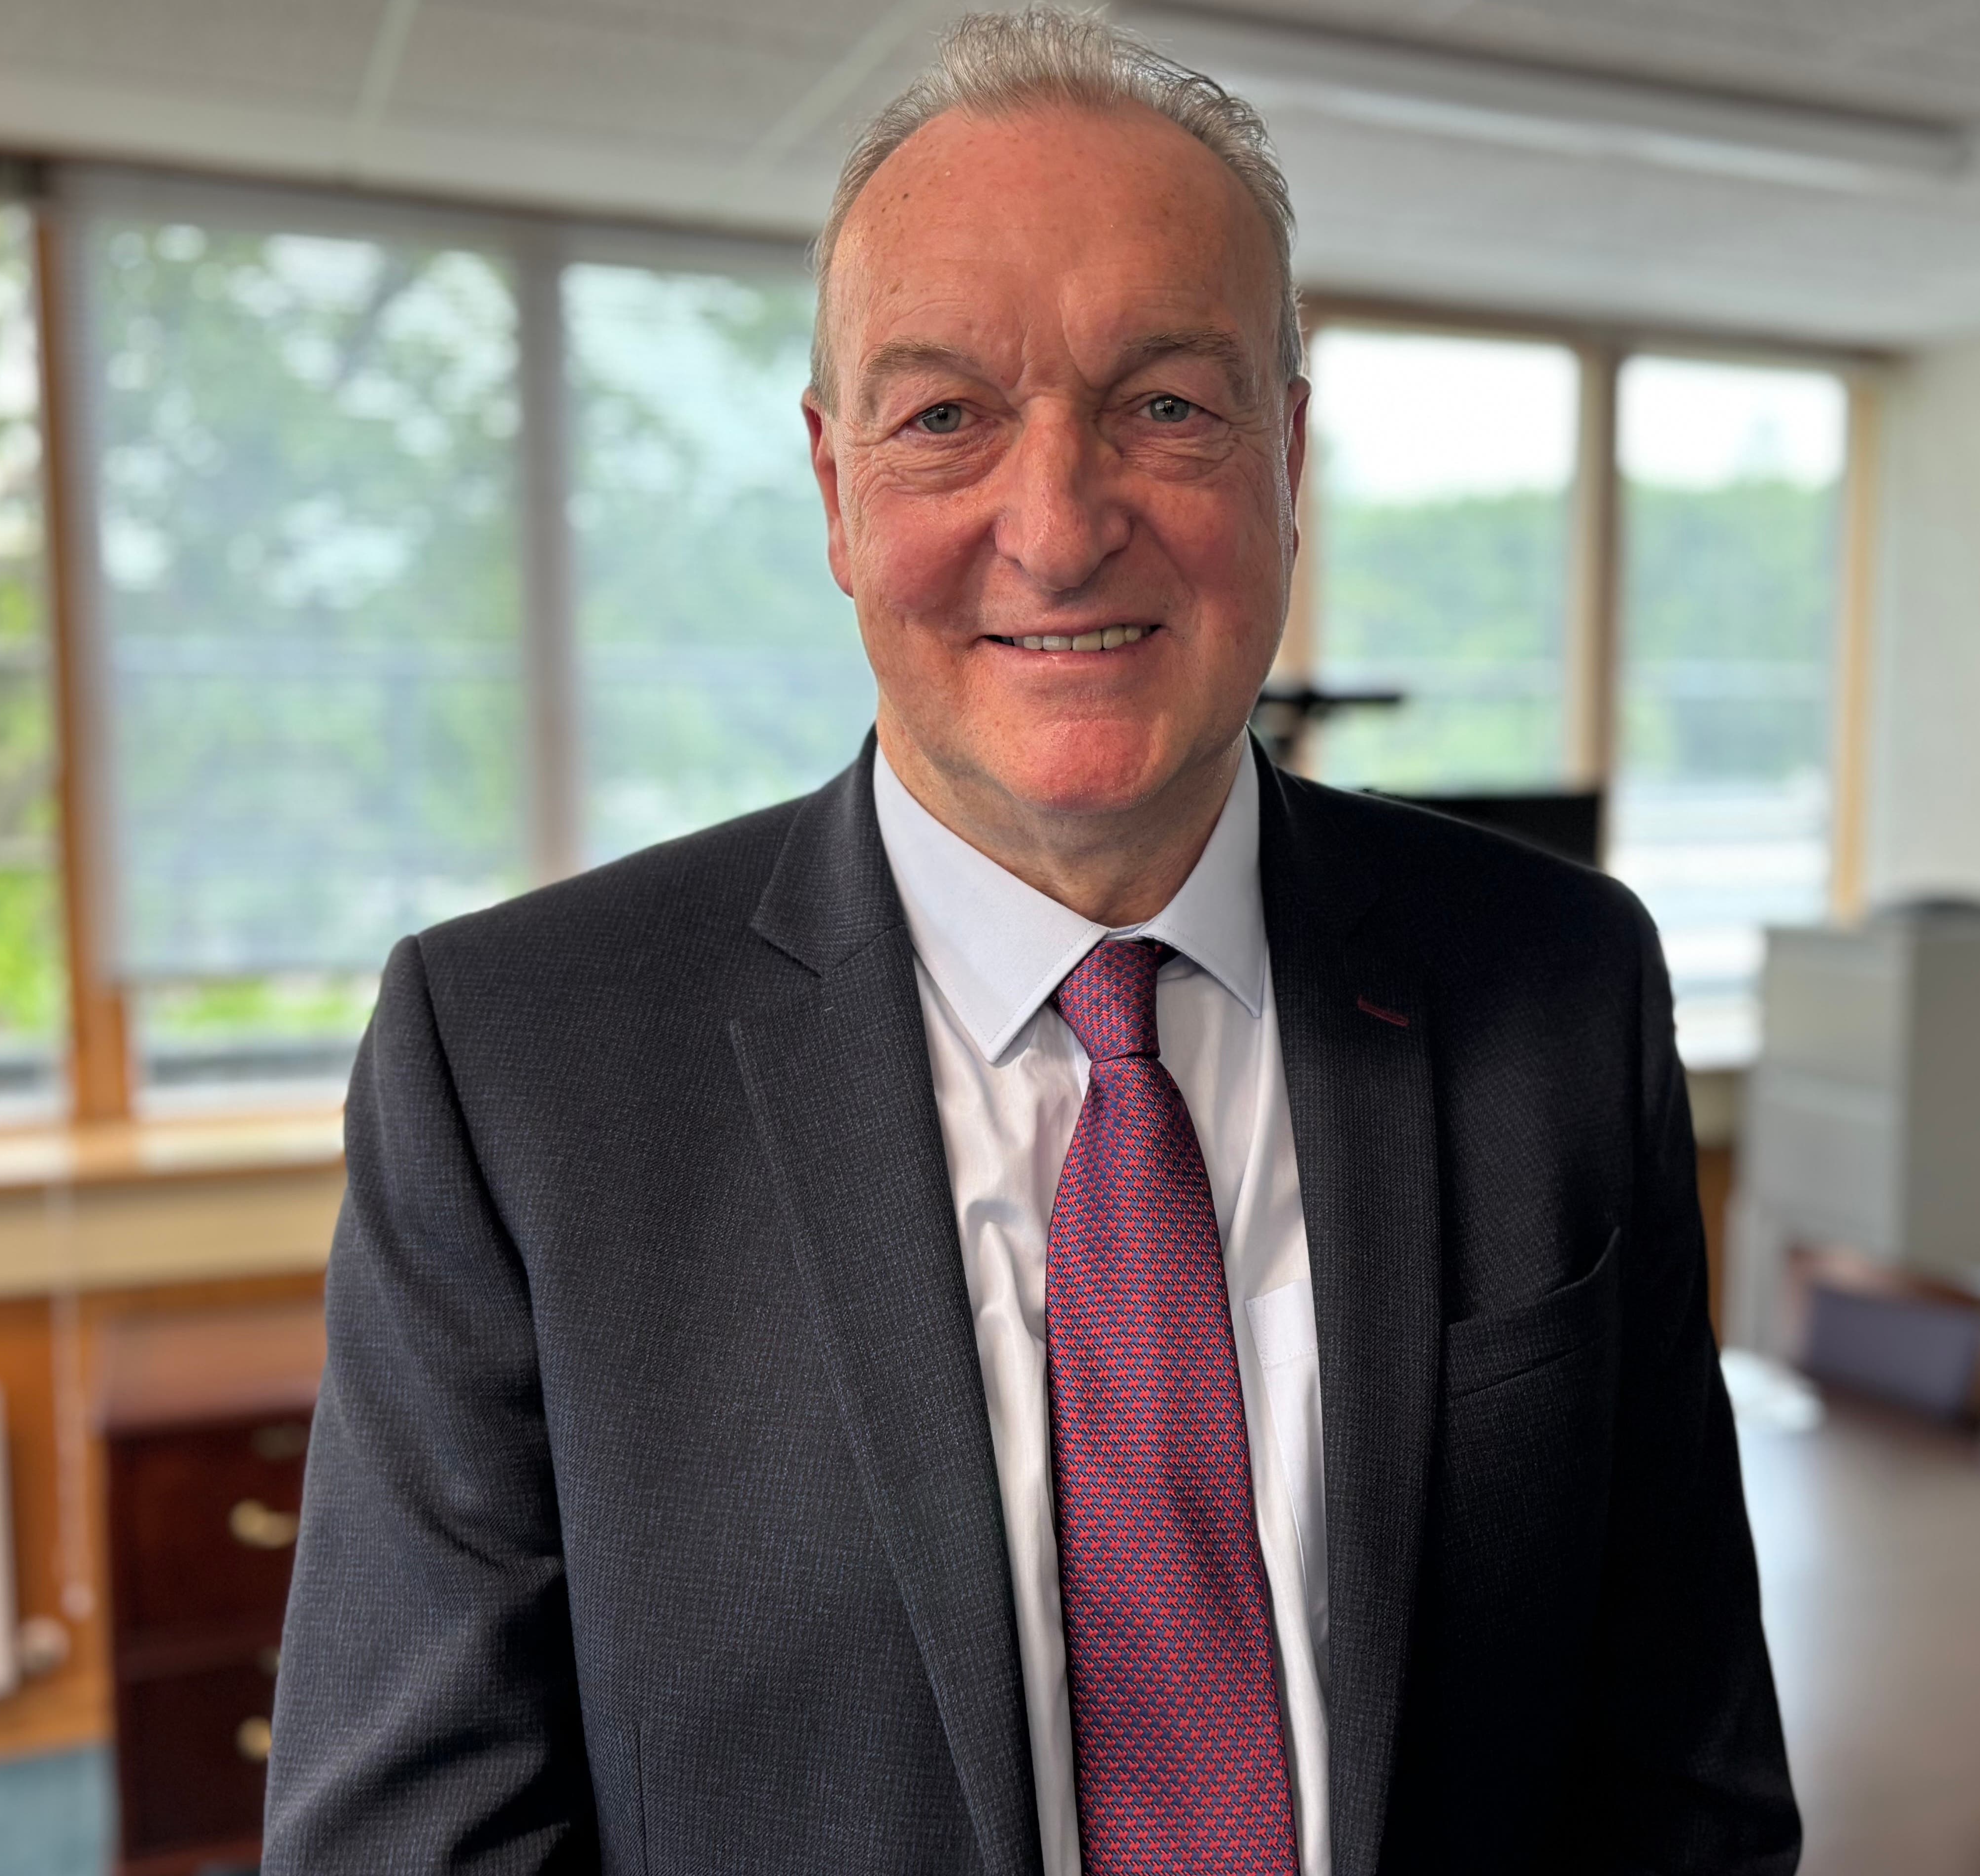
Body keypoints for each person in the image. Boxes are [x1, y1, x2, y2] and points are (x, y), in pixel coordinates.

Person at [263, 9, 1797, 1873]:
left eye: (1168, 404)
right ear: (836, 491)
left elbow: (1680, 1780)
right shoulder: (517, 1063)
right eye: (945, 418)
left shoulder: (1561, 987)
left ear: (1287, 458)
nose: (1060, 530)